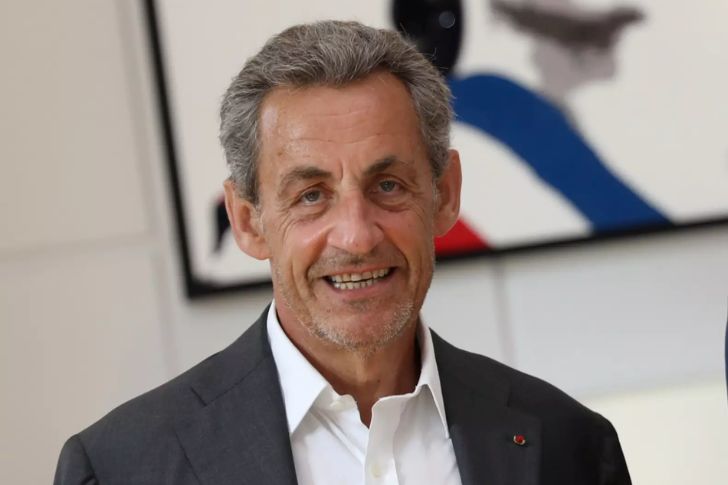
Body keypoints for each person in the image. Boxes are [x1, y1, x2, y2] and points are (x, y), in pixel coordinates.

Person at [54, 20, 631, 485]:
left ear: (445, 195)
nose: (357, 236)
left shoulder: (572, 445)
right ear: (248, 221)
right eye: (311, 195)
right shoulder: (121, 468)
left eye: (388, 186)